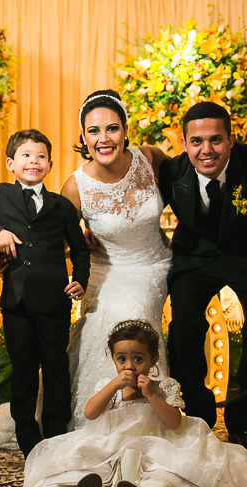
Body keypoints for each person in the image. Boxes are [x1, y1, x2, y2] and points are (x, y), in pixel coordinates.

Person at [23, 320, 247, 487]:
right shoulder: (111, 386)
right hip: (112, 446)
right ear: (114, 359)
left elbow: (175, 423)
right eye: (122, 359)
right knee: (85, 466)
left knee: (166, 475)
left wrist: (151, 394)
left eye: (138, 359)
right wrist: (112, 387)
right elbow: (90, 414)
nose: (130, 366)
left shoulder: (163, 386)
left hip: (158, 445)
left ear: (153, 359)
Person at [159, 101, 247, 456]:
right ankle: (199, 417)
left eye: (216, 140)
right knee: (183, 330)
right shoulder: (171, 172)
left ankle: (242, 418)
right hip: (195, 256)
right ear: (183, 143)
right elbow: (139, 211)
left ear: (231, 139)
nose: (206, 150)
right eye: (196, 141)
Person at [0, 128, 91, 458]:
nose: (33, 161)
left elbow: (80, 250)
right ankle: (27, 437)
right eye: (25, 155)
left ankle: (55, 432)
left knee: (55, 368)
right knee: (22, 369)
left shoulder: (62, 206)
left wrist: (80, 279)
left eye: (40, 156)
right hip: (17, 301)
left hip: (54, 300)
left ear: (49, 165)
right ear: (11, 163)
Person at [60, 89, 172, 431]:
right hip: (106, 271)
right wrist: (79, 240)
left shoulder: (151, 159)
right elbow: (60, 239)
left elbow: (183, 193)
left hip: (154, 265)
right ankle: (104, 421)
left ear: (125, 131)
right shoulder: (75, 186)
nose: (103, 139)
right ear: (83, 137)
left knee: (135, 314)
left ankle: (148, 416)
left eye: (112, 128)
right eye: (93, 131)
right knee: (109, 324)